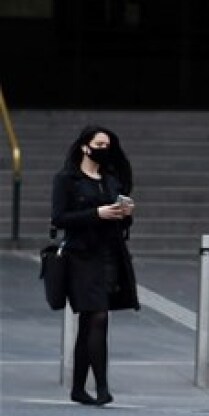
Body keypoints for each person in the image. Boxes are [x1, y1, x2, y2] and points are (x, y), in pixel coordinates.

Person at [51, 125, 139, 406]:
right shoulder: (67, 179)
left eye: (107, 145)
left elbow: (123, 222)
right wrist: (96, 213)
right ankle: (102, 388)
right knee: (98, 315)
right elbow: (60, 218)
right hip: (80, 256)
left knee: (91, 322)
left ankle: (78, 388)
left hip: (108, 254)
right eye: (99, 144)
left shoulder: (111, 179)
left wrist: (125, 213)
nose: (104, 149)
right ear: (84, 147)